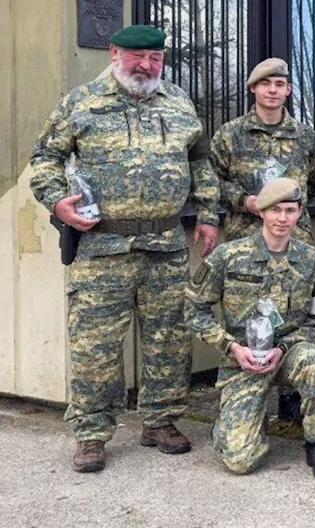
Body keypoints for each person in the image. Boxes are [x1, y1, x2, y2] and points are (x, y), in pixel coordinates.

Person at [29, 24, 220, 473]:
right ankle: (92, 433)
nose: (145, 65)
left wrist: (209, 213)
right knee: (95, 344)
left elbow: (201, 161)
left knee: (169, 339)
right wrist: (58, 201)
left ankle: (160, 420)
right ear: (114, 53)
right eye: (136, 56)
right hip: (101, 247)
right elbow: (45, 158)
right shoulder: (81, 102)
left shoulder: (178, 102)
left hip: (166, 244)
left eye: (155, 57)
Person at [186, 178, 315, 478]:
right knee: (240, 461)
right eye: (275, 210)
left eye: (290, 210)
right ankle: (237, 423)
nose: (282, 218)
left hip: (290, 352)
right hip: (243, 360)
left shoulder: (313, 261)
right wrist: (231, 347)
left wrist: (283, 348)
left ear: (299, 214)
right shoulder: (229, 257)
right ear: (261, 212)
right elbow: (194, 308)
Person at [210, 58, 315, 243]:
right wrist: (244, 201)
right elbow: (212, 181)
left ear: (288, 90)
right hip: (244, 238)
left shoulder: (305, 136)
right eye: (265, 83)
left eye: (279, 84)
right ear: (253, 87)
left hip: (295, 239)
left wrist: (287, 205)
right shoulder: (230, 134)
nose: (272, 90)